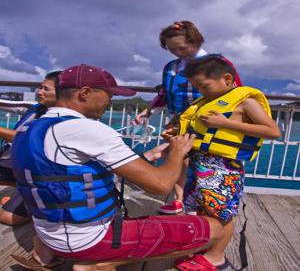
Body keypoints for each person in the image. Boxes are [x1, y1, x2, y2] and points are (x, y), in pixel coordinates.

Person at [11, 63, 226, 271]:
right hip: (88, 240)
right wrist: (177, 153)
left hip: (49, 233)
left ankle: (46, 254)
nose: (110, 102)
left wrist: (149, 156)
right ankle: (98, 264)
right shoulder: (85, 129)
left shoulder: (30, 126)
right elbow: (160, 185)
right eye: (109, 95)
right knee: (214, 228)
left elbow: (69, 170)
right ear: (85, 92)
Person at [175, 54, 281, 270]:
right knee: (200, 210)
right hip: (199, 165)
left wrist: (225, 123)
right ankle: (204, 249)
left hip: (224, 169)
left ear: (226, 78)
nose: (200, 92)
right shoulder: (206, 103)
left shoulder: (246, 103)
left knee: (221, 214)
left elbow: (272, 131)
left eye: (203, 86)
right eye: (197, 88)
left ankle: (217, 257)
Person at [137, 20, 243, 215]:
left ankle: (207, 199)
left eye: (182, 48)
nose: (177, 53)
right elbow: (164, 93)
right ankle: (181, 200)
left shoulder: (216, 64)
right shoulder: (171, 67)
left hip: (209, 120)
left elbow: (236, 92)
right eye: (172, 50)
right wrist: (149, 110)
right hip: (179, 120)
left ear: (195, 41)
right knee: (178, 157)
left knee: (204, 159)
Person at [0, 71, 60, 225]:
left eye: (46, 89)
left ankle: (25, 198)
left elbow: (26, 140)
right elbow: (6, 104)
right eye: (40, 87)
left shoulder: (61, 119)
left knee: (10, 218)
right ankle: (19, 190)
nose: (39, 92)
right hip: (14, 163)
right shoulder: (35, 108)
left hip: (36, 173)